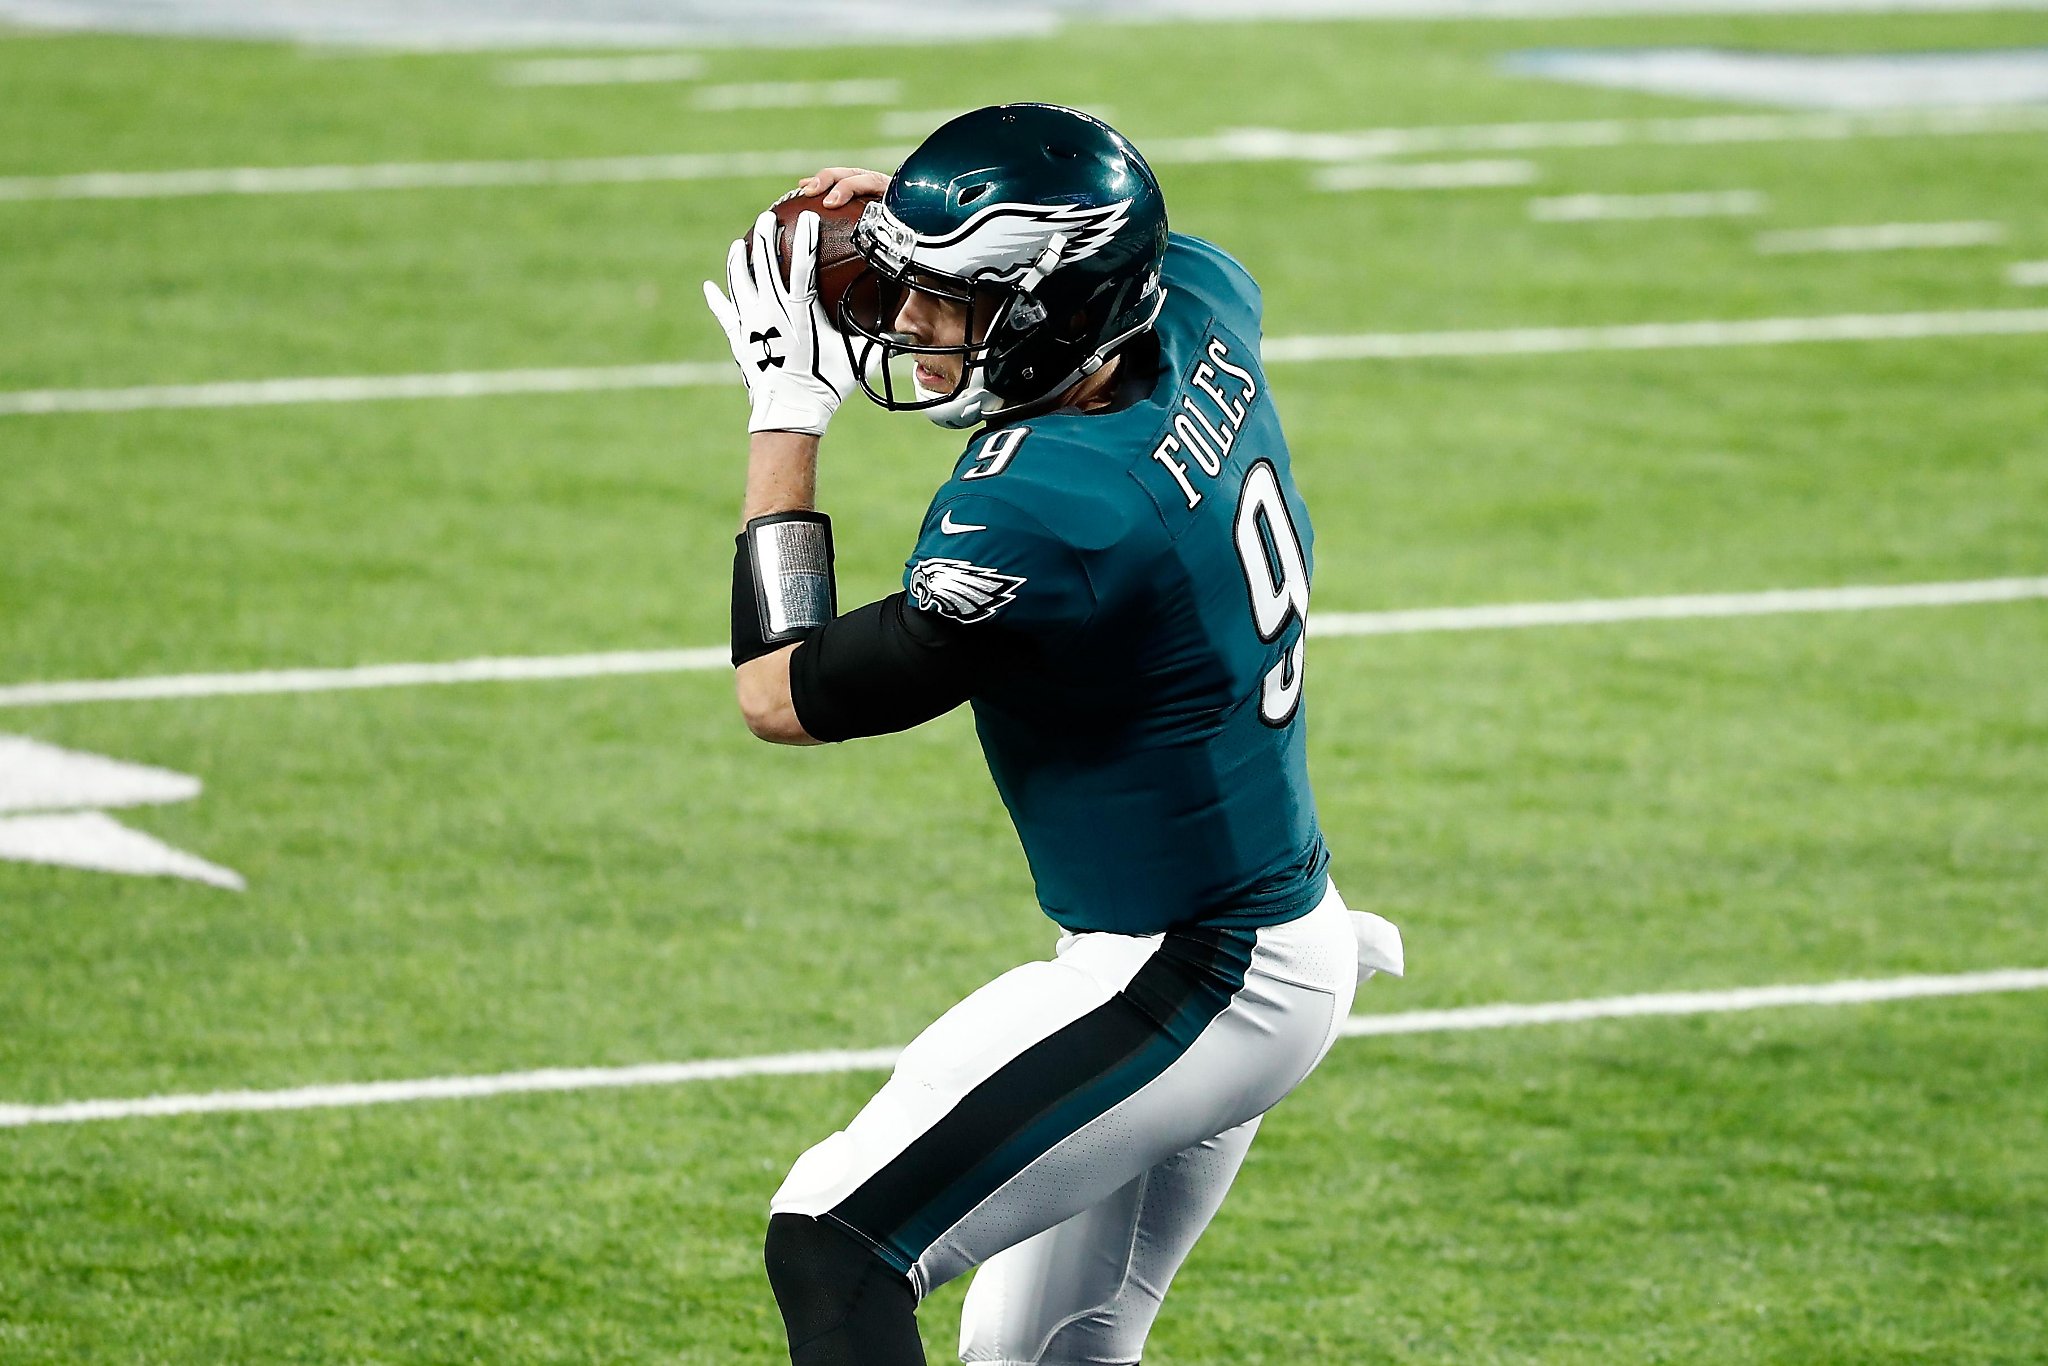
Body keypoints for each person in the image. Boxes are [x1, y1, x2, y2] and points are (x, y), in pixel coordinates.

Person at [703, 103, 1403, 1366]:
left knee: (834, 1238)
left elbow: (779, 693)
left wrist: (783, 413)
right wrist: (924, 220)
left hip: (1190, 972)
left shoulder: (1050, 510)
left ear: (1052, 313)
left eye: (951, 300)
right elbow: (1152, 242)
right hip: (1264, 929)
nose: (910, 322)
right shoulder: (1193, 314)